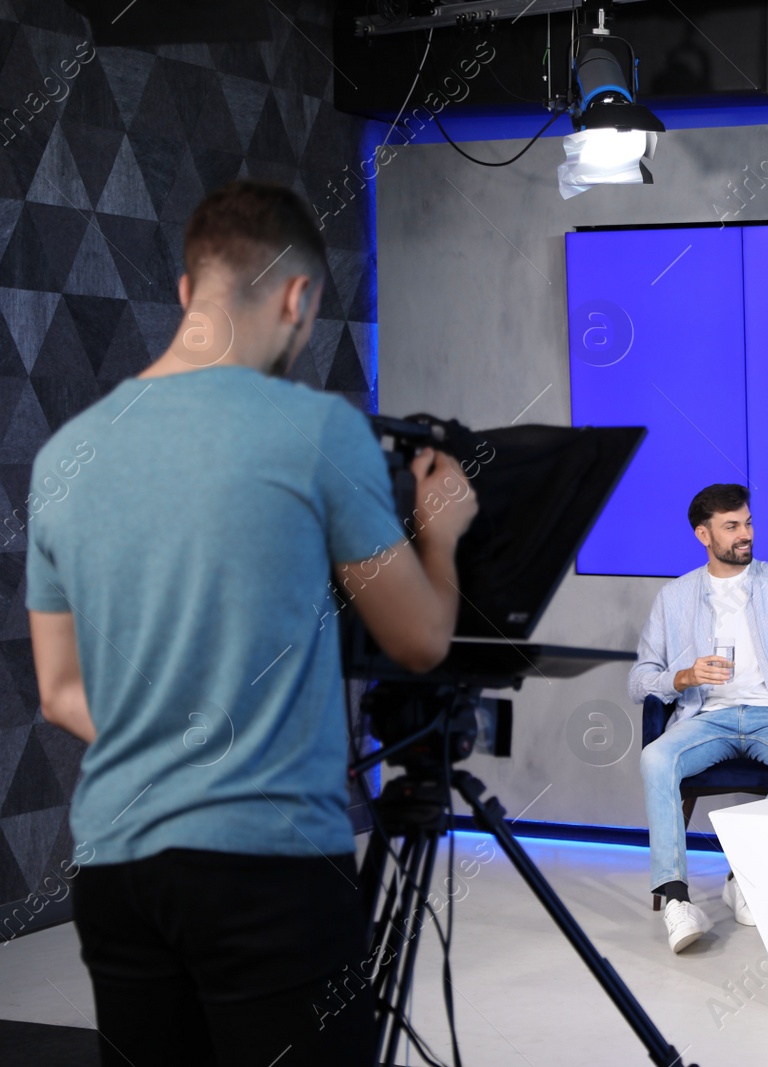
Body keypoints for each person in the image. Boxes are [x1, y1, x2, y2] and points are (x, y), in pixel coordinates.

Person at [27, 181, 478, 1065]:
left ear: (189, 288)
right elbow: (420, 639)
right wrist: (441, 532)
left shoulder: (63, 453)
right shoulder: (316, 429)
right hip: (269, 866)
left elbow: (60, 691)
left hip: (118, 868)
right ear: (297, 297)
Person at [629, 483, 768, 953]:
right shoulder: (674, 597)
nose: (745, 534)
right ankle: (676, 898)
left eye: (747, 523)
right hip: (706, 716)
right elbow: (639, 679)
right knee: (655, 759)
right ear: (703, 534)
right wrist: (683, 676)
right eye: (731, 527)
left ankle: (744, 874)